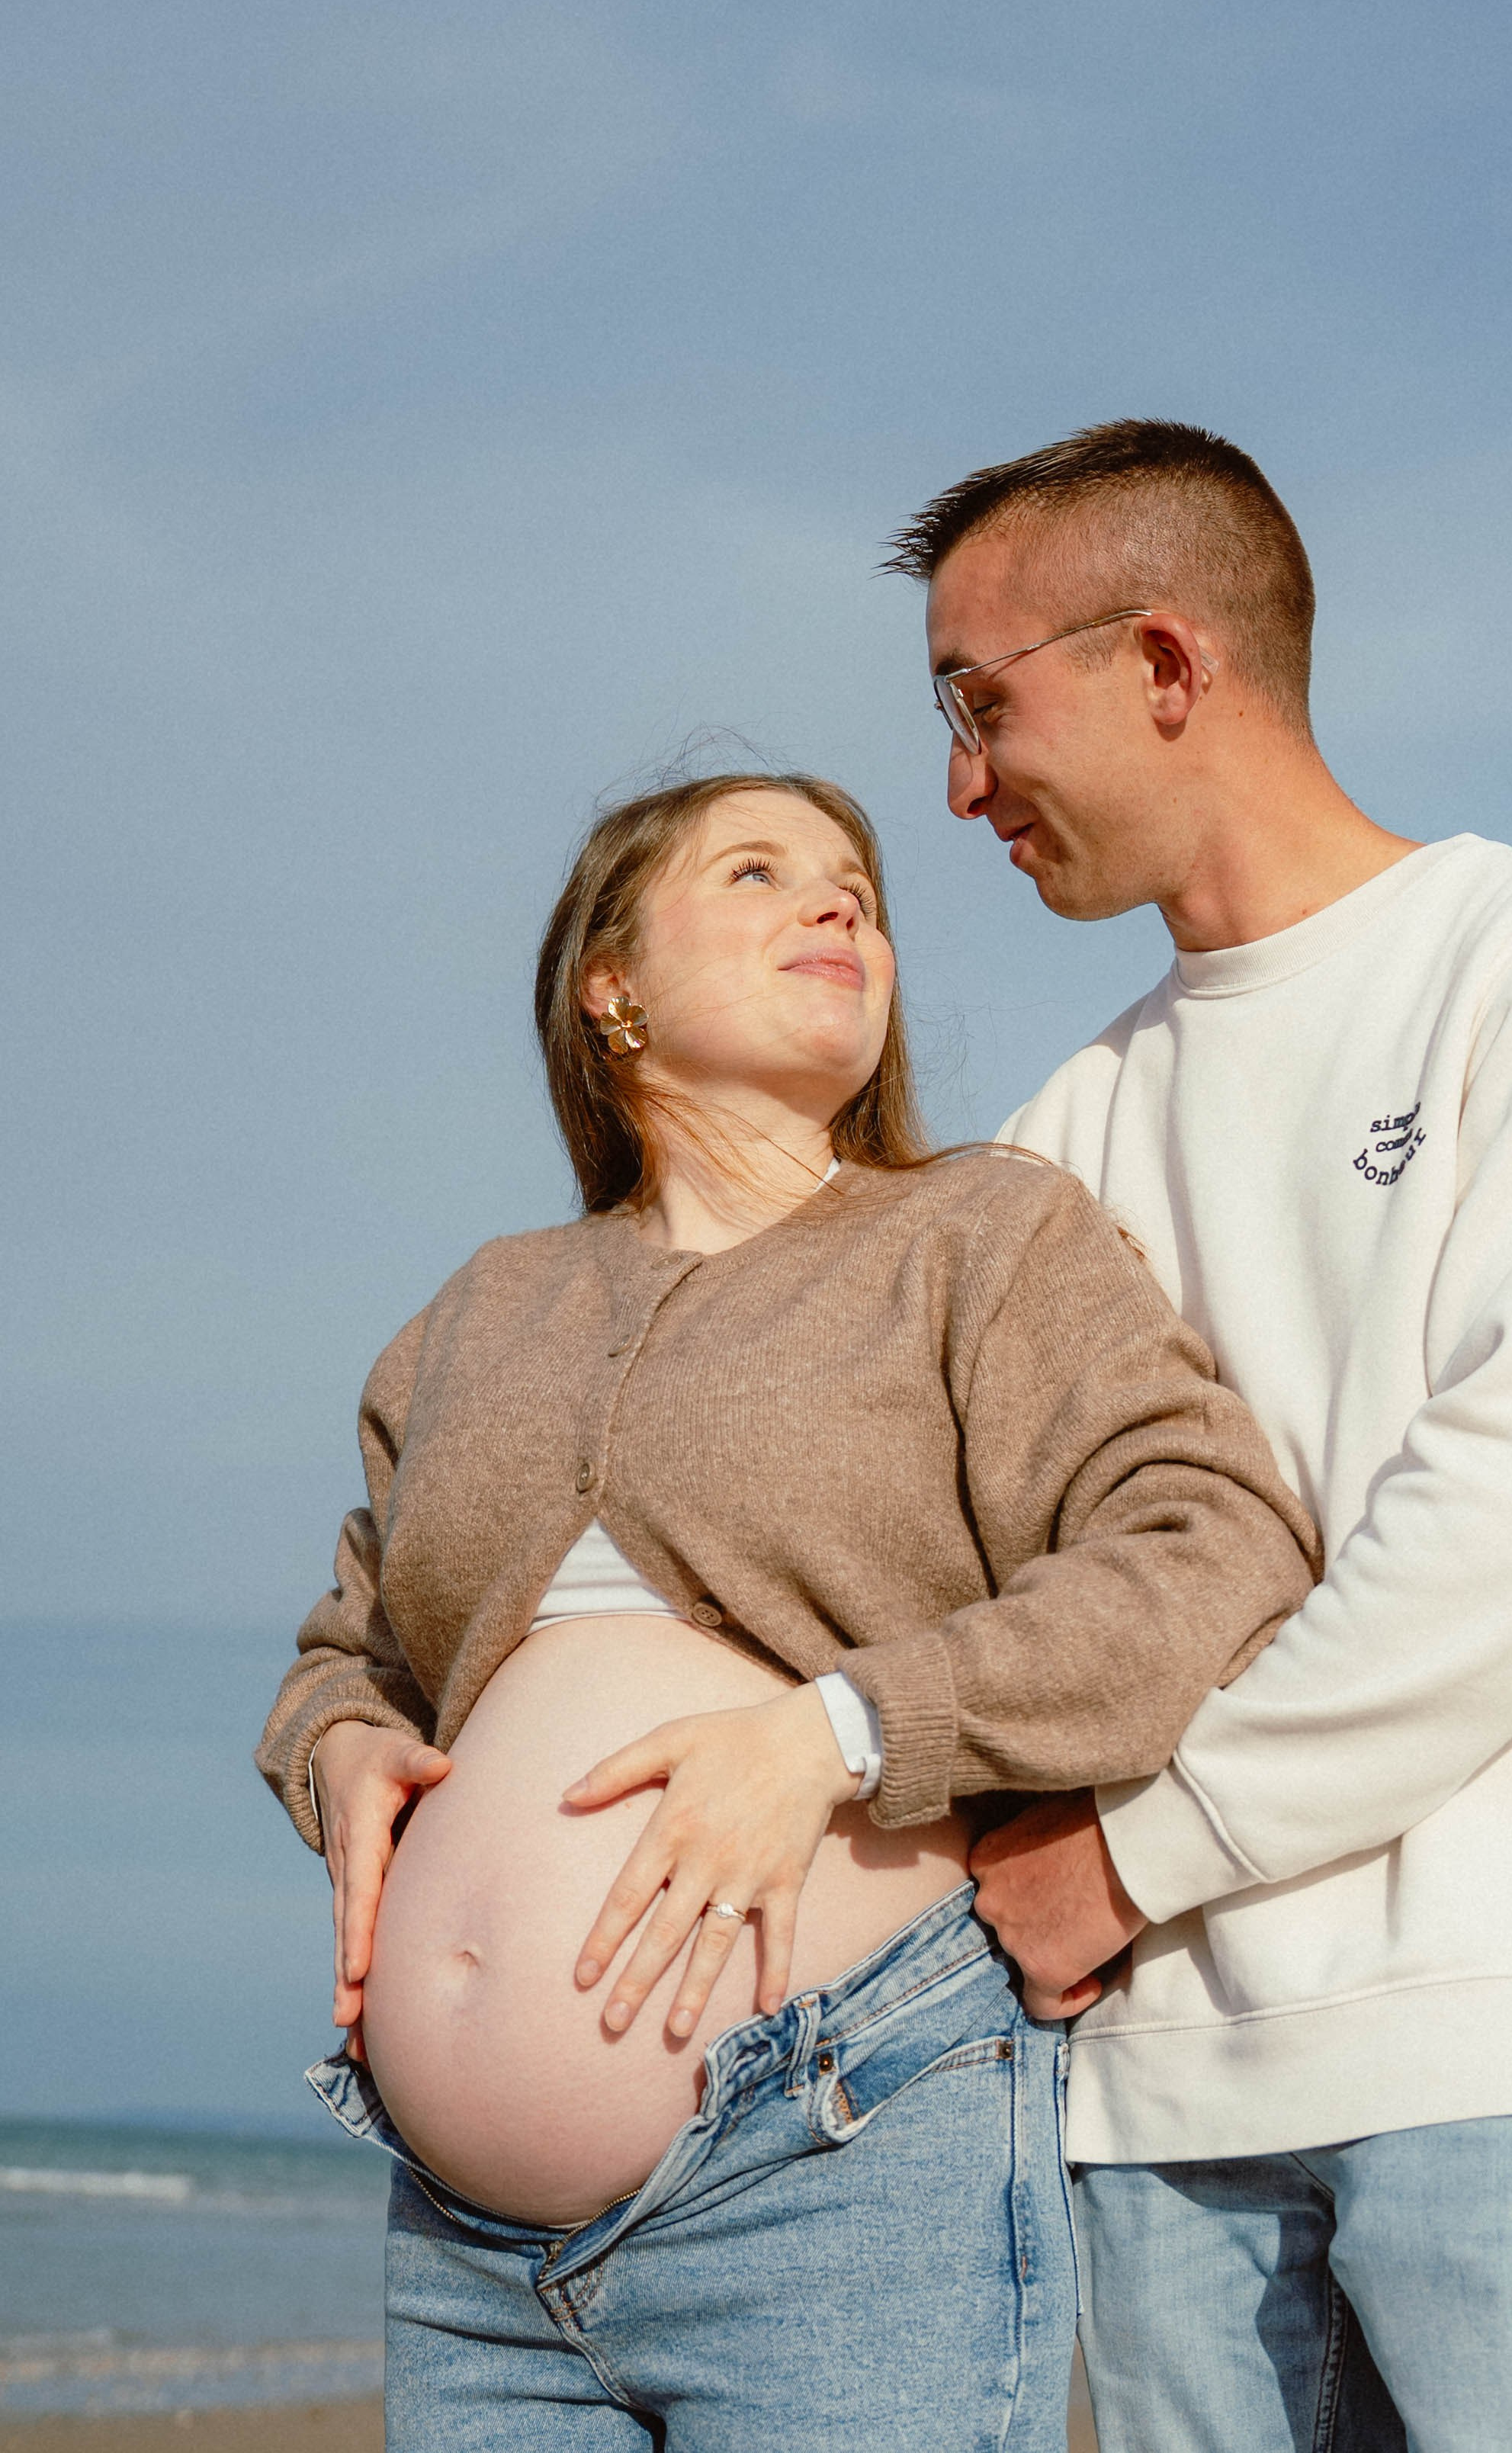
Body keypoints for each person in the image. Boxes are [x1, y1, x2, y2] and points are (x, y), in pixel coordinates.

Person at [884, 421, 1512, 2453]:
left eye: (977, 704)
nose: (956, 785)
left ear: (1166, 663)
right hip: (1156, 2112)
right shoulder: (1052, 1141)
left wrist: (1138, 1855)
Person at [255, 766, 1318, 2453]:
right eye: (757, 872)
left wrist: (837, 1734)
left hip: (838, 2153)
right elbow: (355, 1647)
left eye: (860, 892)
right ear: (610, 984)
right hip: (464, 2250)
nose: (838, 905)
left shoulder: (979, 1235)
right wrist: (340, 1749)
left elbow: (1209, 1539)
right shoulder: (479, 1309)